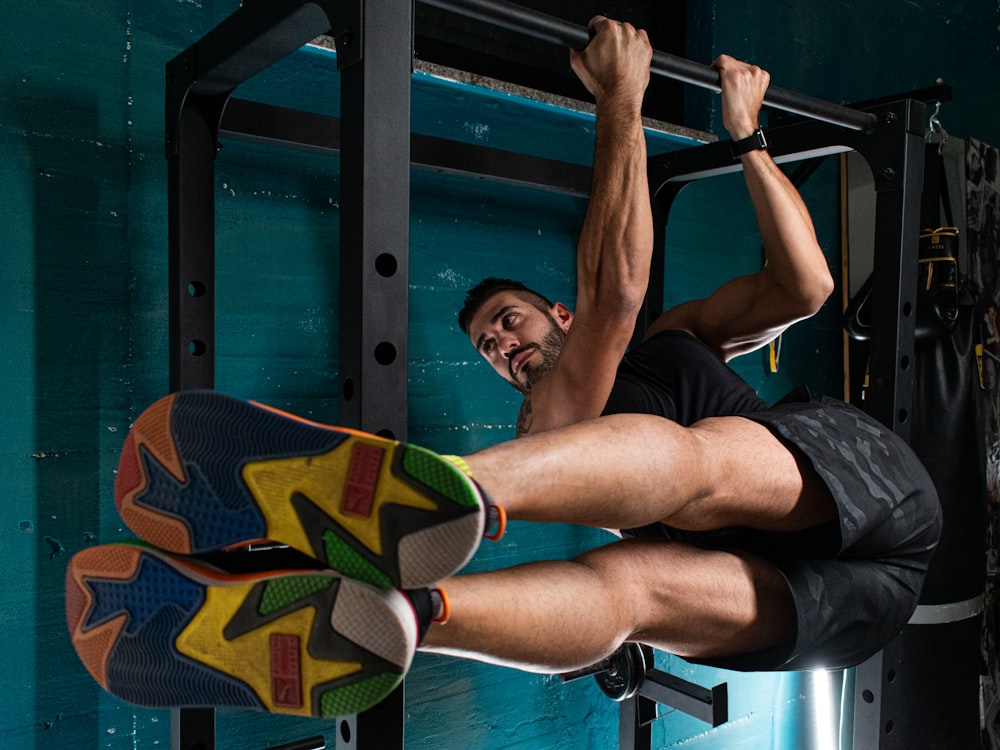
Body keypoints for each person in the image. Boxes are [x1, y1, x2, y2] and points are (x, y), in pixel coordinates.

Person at [66, 17, 940, 720]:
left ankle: (438, 517)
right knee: (628, 589)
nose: (503, 346)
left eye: (509, 321)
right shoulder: (551, 418)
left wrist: (749, 138)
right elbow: (617, 289)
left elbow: (806, 283)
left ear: (556, 312)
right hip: (825, 610)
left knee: (692, 465)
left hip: (864, 495)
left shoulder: (673, 342)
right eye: (489, 346)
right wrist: (621, 98)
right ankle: (401, 610)